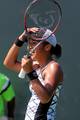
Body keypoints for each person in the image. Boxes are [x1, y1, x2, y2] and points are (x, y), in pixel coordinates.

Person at [3, 27, 63, 120]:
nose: (29, 47)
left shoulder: (53, 67)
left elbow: (45, 98)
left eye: (34, 43)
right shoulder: (36, 66)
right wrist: (21, 39)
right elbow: (9, 63)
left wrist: (30, 72)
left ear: (47, 47)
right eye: (29, 43)